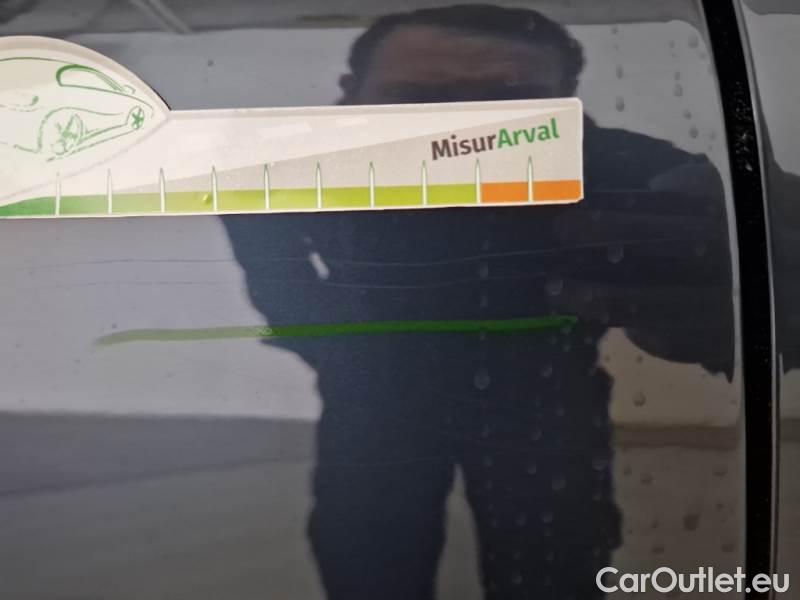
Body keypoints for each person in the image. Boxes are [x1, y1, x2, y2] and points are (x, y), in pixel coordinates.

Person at [223, 5, 733, 599]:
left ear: (564, 103)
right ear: (349, 95)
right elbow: (277, 279)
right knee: (369, 556)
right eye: (415, 100)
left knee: (549, 568)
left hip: (537, 390)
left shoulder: (612, 162)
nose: (458, 135)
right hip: (391, 389)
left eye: (506, 103)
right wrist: (345, 359)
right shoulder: (292, 167)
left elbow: (750, 221)